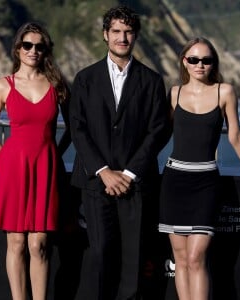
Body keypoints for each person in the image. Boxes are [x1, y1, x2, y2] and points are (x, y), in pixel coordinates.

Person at [158, 36, 240, 300]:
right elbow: (161, 135)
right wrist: (135, 164)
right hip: (174, 181)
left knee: (196, 256)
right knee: (180, 259)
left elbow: (235, 135)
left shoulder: (225, 91)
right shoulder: (174, 93)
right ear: (184, 62)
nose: (200, 65)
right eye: (194, 59)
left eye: (206, 60)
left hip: (205, 182)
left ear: (214, 63)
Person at [69, 5, 169, 300]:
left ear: (135, 35)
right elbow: (78, 128)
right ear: (105, 34)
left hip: (135, 183)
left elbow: (158, 130)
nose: (122, 37)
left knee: (134, 258)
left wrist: (127, 173)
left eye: (127, 32)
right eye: (116, 31)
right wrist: (104, 171)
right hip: (95, 183)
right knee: (100, 253)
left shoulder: (151, 81)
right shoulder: (85, 78)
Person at [0, 22, 70, 300]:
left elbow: (75, 129)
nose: (33, 51)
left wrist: (54, 155)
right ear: (17, 49)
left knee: (39, 243)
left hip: (45, 171)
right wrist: (7, 160)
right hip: (13, 172)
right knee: (16, 242)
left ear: (46, 51)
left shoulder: (56, 85)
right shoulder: (2, 86)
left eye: (39, 46)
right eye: (27, 45)